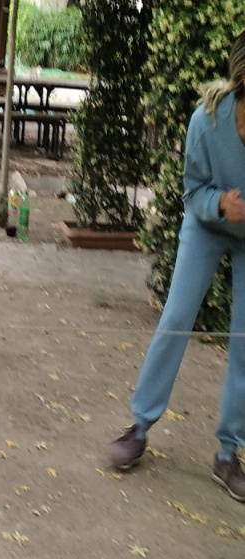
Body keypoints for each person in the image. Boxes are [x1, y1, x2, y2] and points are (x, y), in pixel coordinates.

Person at [109, 31, 245, 502]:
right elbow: (191, 191)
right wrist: (220, 205)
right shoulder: (206, 122)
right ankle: (140, 426)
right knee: (175, 320)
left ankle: (228, 453)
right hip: (208, 226)